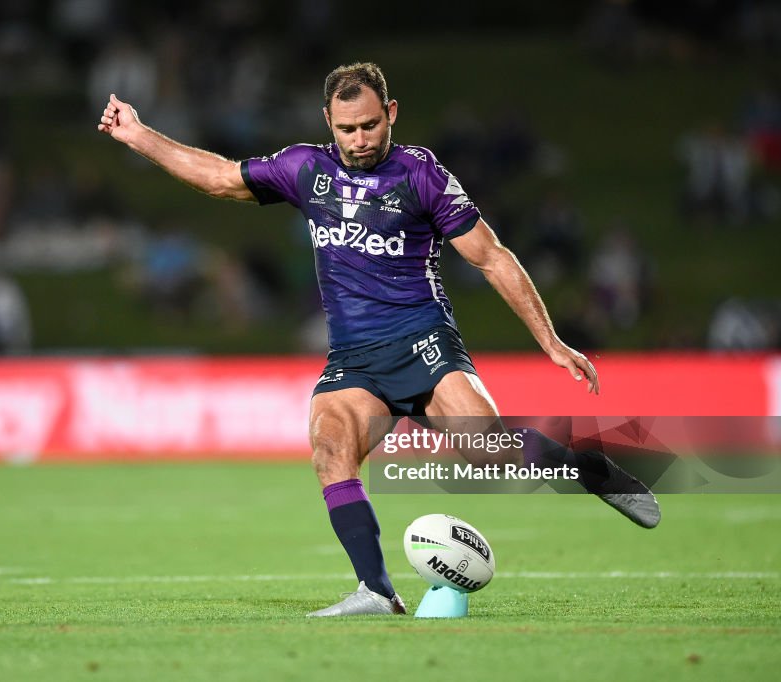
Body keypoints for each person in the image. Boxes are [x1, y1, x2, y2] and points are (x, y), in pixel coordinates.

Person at [97, 62, 660, 617]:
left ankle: (592, 472)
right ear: (328, 121)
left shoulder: (422, 176)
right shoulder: (306, 171)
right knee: (329, 451)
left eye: (370, 125)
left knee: (488, 449)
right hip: (353, 359)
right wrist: (139, 135)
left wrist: (551, 340)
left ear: (390, 113)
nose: (359, 139)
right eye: (346, 129)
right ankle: (375, 590)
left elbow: (492, 258)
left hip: (422, 341)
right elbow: (220, 178)